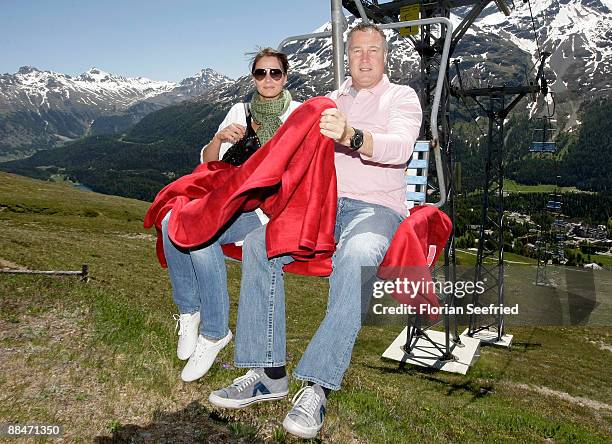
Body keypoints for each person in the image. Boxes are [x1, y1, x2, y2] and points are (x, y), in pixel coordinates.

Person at [209, 24, 423, 439]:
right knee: (258, 243)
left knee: (359, 253)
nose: (364, 58)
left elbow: (400, 146)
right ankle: (268, 372)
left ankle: (318, 384)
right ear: (347, 56)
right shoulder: (328, 101)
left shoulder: (402, 97)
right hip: (323, 205)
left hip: (376, 208)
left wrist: (352, 135)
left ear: (385, 57)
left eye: (372, 51)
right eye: (357, 50)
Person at [162, 47, 300, 382]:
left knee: (200, 236)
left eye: (275, 73)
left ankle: (214, 332)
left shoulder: (297, 114)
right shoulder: (239, 110)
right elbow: (207, 162)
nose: (268, 80)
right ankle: (190, 311)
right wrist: (218, 137)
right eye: (260, 73)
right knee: (169, 222)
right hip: (227, 198)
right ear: (253, 77)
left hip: (266, 207)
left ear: (285, 76)